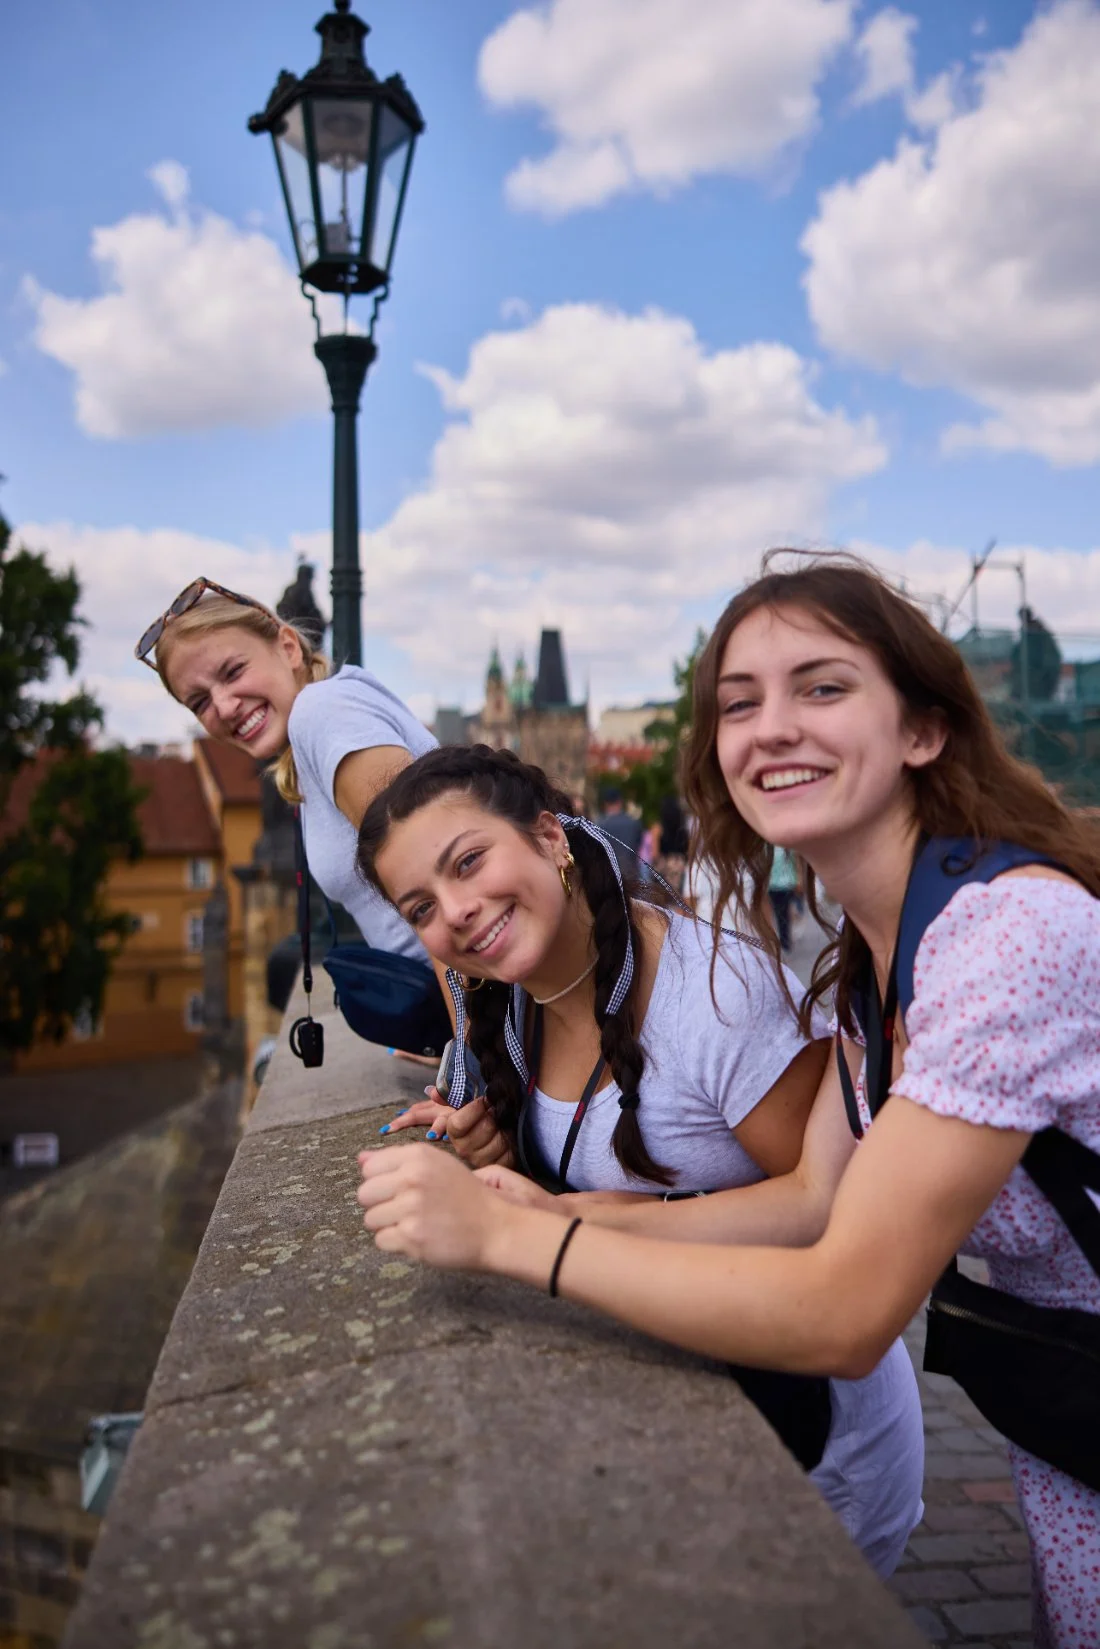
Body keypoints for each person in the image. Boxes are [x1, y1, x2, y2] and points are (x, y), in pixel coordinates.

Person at [356, 555, 1100, 1646]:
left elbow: (848, 1308)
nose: (768, 727)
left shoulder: (1005, 938)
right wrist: (554, 1208)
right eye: (736, 703)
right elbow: (814, 1202)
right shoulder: (871, 960)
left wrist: (509, 1245)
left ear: (922, 727)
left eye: (821, 686)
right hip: (1068, 1432)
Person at [356, 743, 925, 1577]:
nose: (458, 910)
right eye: (421, 906)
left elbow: (827, 1210)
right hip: (684, 1390)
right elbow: (601, 1153)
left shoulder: (712, 995)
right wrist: (498, 1143)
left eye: (468, 861)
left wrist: (556, 1218)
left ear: (550, 836)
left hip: (808, 1441)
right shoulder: (522, 992)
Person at [135, 576, 449, 1049]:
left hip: (493, 1001)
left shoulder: (321, 713)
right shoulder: (314, 730)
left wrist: (472, 1047)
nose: (223, 706)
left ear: (288, 646)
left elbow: (441, 884)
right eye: (199, 701)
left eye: (232, 671)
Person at [767, 846, 800, 953]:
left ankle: (785, 940)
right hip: (772, 886)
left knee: (783, 913)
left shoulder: (786, 847)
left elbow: (795, 865)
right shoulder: (768, 848)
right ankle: (782, 939)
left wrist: (798, 880)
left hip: (786, 885)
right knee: (777, 913)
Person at [594, 786, 643, 858]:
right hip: (629, 867)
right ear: (620, 802)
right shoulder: (634, 824)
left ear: (605, 803)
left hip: (608, 867)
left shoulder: (599, 825)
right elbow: (638, 845)